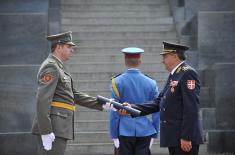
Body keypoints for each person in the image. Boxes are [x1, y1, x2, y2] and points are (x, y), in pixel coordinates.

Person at [119, 42, 203, 155]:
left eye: (165, 56)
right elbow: (158, 102)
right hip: (174, 136)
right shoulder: (175, 74)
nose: (162, 61)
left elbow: (191, 107)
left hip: (183, 137)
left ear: (174, 55)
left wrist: (186, 136)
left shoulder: (187, 73)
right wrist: (131, 108)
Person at [31, 31, 108, 155]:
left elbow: (74, 95)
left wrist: (102, 104)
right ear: (58, 47)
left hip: (59, 127)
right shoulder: (51, 67)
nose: (72, 50)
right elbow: (42, 100)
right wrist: (45, 130)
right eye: (69, 46)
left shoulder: (59, 67)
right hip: (53, 128)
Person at [109, 47, 160, 155]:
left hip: (124, 130)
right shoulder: (151, 83)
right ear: (140, 61)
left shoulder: (116, 82)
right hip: (145, 130)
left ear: (125, 61)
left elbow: (114, 111)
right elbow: (156, 109)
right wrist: (155, 132)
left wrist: (114, 135)